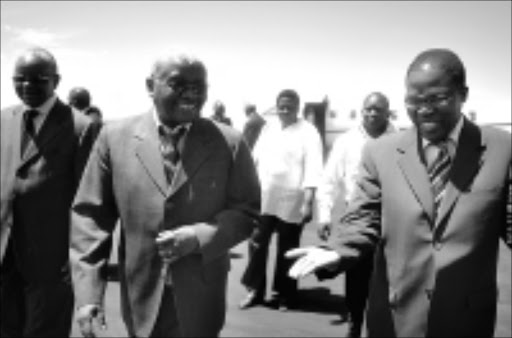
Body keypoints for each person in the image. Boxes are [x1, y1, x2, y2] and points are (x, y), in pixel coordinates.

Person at [287, 48, 512, 337]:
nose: (424, 109)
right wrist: (337, 249)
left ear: (463, 94)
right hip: (395, 317)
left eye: (437, 98)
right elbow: (363, 217)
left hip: (466, 320)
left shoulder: (502, 150)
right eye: (413, 100)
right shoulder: (381, 152)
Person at [70, 51, 261, 338]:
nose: (192, 93)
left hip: (201, 297)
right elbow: (90, 218)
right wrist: (88, 295)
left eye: (200, 85)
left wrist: (199, 236)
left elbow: (247, 213)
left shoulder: (229, 143)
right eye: (178, 84)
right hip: (141, 297)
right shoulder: (114, 137)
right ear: (150, 86)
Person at [0, 47, 99, 337]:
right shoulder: (3, 120)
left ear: (56, 81)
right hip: (5, 251)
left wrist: (79, 260)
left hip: (51, 259)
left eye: (38, 79)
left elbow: (88, 202)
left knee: (45, 330)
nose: (28, 86)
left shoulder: (81, 127)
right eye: (20, 79)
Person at [316, 92, 396, 337]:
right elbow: (329, 179)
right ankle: (354, 322)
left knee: (388, 276)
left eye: (378, 110)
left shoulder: (402, 140)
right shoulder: (347, 141)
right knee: (357, 274)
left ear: (387, 112)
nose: (372, 114)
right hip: (357, 216)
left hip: (393, 217)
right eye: (368, 109)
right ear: (362, 111)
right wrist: (324, 214)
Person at [239, 89, 323, 311]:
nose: (285, 110)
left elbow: (314, 167)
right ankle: (255, 291)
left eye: (290, 106)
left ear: (298, 107)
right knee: (257, 243)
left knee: (288, 248)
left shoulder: (309, 132)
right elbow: (255, 159)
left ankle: (283, 294)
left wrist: (308, 201)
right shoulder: (268, 127)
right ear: (276, 108)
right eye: (281, 107)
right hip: (265, 196)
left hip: (292, 199)